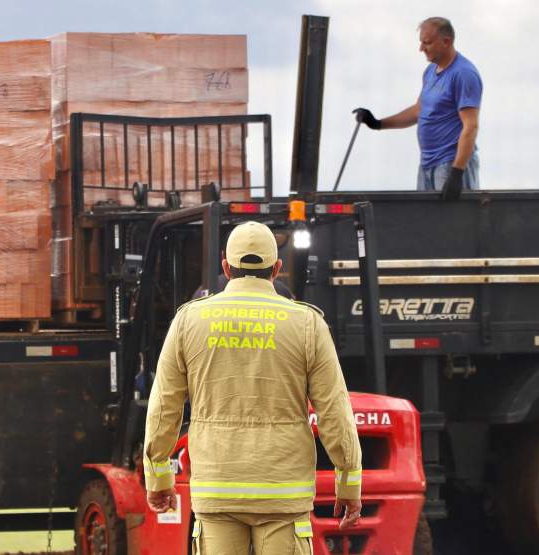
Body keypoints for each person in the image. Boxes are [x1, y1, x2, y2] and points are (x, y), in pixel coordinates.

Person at [143, 221, 362, 554]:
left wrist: (159, 478)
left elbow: (164, 408)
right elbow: (334, 410)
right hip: (283, 492)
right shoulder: (307, 324)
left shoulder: (188, 321)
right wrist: (348, 483)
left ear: (225, 268)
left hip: (218, 488)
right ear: (277, 269)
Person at [354, 16, 482, 195]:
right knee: (427, 222)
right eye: (421, 42)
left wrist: (457, 172)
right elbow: (419, 110)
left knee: (454, 222)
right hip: (427, 164)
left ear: (446, 41)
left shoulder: (463, 74)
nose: (421, 48)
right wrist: (377, 123)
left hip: (450, 164)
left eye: (427, 43)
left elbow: (471, 125)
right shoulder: (430, 72)